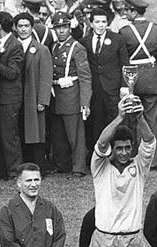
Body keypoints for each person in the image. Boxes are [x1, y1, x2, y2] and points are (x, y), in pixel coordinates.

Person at [84, 95, 155, 247]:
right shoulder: (100, 167)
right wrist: (120, 116)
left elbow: (149, 142)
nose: (124, 153)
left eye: (127, 148)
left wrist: (140, 117)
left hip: (131, 241)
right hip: (103, 240)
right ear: (112, 149)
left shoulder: (139, 168)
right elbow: (100, 143)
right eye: (119, 148)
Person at [0, 163, 66, 247]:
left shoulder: (50, 209)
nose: (33, 185)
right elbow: (9, 246)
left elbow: (59, 238)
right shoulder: (7, 212)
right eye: (28, 180)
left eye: (37, 180)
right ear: (19, 183)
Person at [119, 0, 157, 169]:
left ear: (133, 11)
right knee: (152, 118)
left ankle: (135, 155)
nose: (125, 14)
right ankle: (155, 158)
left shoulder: (124, 31)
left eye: (127, 11)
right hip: (151, 76)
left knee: (132, 118)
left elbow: (123, 56)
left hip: (132, 77)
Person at [79, 8, 129, 153]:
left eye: (103, 22)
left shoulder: (117, 39)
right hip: (95, 89)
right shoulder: (84, 41)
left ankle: (119, 153)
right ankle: (98, 156)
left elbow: (125, 63)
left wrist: (124, 86)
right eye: (97, 22)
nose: (101, 25)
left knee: (117, 121)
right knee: (95, 123)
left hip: (113, 89)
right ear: (91, 23)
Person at [50, 11, 91, 179]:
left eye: (64, 27)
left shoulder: (77, 47)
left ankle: (79, 167)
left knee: (76, 135)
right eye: (58, 27)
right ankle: (62, 164)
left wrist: (85, 102)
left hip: (71, 94)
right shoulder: (53, 46)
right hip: (56, 93)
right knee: (59, 134)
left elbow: (85, 77)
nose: (61, 31)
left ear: (70, 27)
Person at [14, 13, 52, 173]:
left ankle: (39, 167)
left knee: (36, 133)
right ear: (15, 28)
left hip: (33, 98)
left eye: (26, 26)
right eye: (20, 26)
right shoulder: (13, 47)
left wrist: (43, 100)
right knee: (20, 132)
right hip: (16, 98)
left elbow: (46, 76)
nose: (23, 29)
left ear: (31, 27)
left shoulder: (41, 49)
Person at [0, 11, 25, 180]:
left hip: (10, 97)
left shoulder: (15, 45)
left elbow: (13, 73)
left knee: (9, 135)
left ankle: (15, 171)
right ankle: (1, 170)